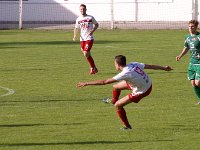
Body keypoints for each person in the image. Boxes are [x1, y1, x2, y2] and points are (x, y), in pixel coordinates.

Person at [77, 55, 173, 130]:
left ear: (118, 65)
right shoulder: (133, 64)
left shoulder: (125, 73)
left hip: (142, 90)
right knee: (116, 87)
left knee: (118, 106)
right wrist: (164, 68)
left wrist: (86, 83)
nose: (114, 65)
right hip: (146, 83)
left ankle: (127, 126)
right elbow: (150, 66)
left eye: (114, 63)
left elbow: (104, 82)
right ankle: (113, 100)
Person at [176, 20, 200, 105]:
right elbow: (186, 48)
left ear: (196, 27)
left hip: (199, 63)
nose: (190, 28)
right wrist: (180, 55)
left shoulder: (199, 36)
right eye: (189, 26)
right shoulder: (187, 37)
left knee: (198, 82)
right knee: (193, 83)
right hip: (192, 63)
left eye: (192, 26)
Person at [73, 4, 99, 75]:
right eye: (81, 9)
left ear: (86, 9)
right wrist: (75, 35)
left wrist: (92, 31)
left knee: (86, 53)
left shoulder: (90, 17)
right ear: (79, 10)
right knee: (86, 54)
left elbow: (97, 24)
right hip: (82, 39)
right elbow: (76, 28)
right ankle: (94, 68)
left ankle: (92, 68)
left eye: (83, 9)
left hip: (89, 38)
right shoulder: (78, 19)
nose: (82, 10)